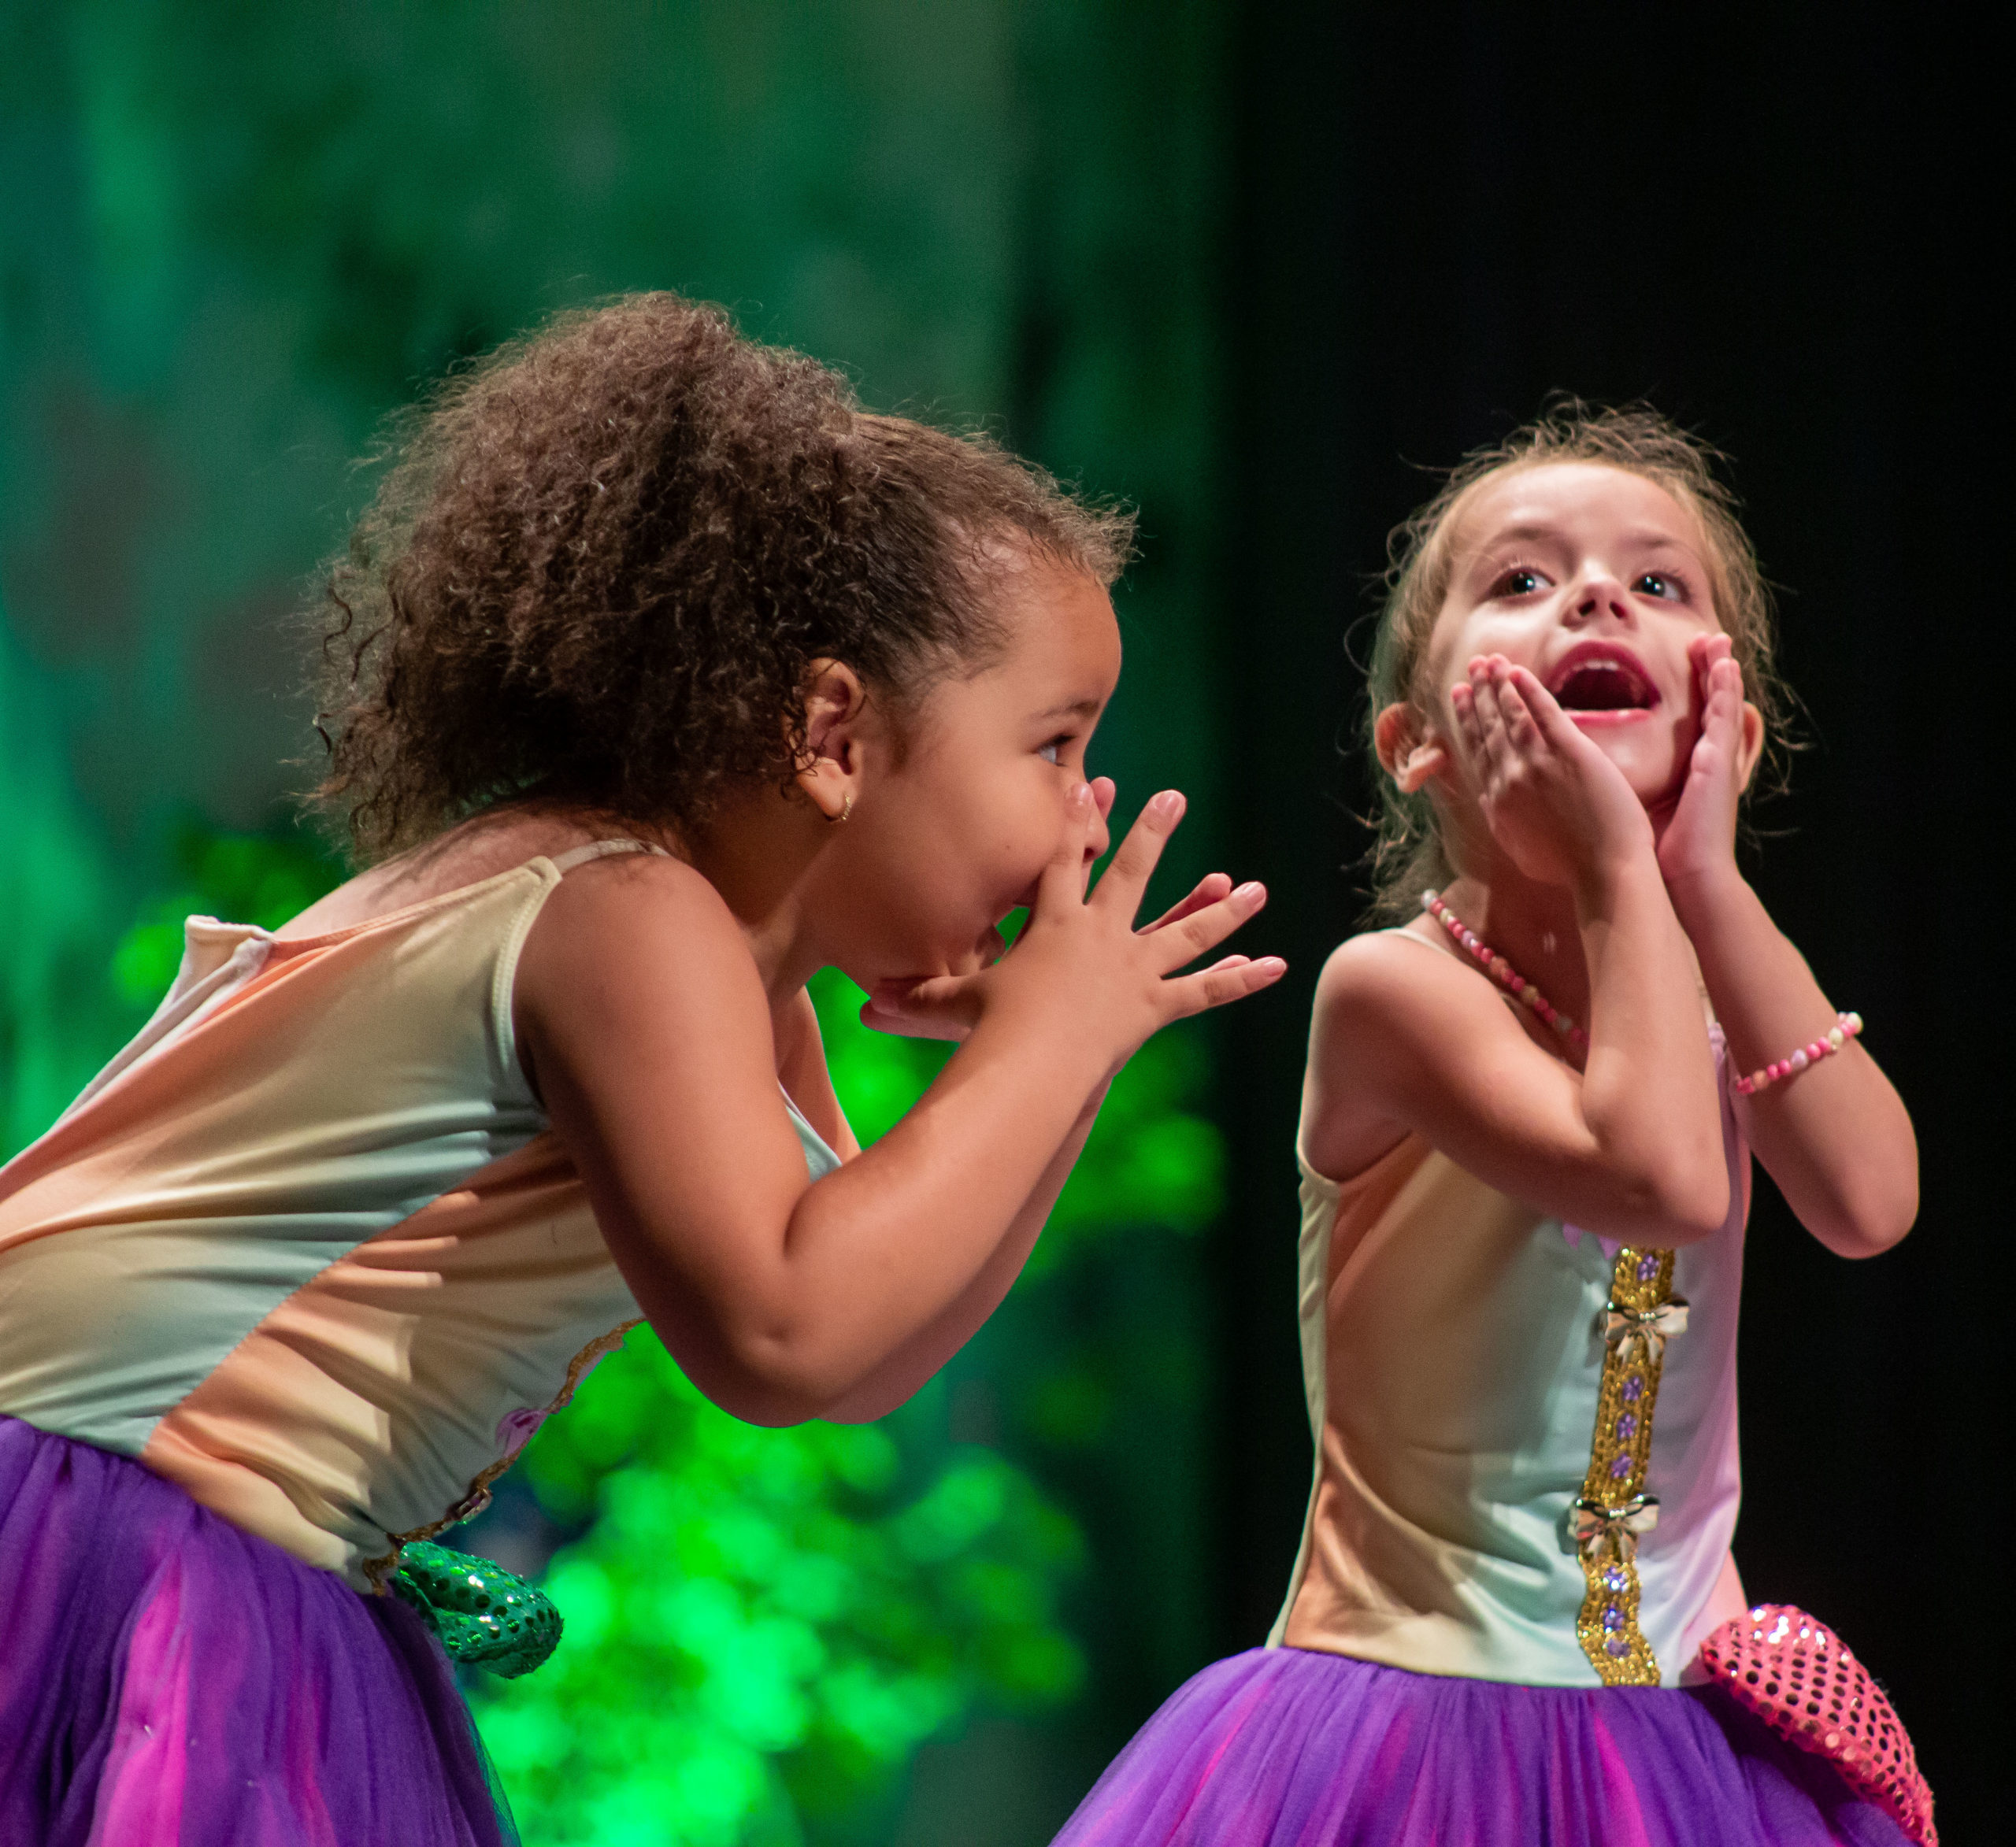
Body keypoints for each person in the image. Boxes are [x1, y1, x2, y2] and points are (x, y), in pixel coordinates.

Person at [0, 294, 1282, 1846]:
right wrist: (1046, 1037)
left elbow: (859, 1362)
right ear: (832, 734)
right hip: (116, 1540)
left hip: (203, 1527)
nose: (1084, 816)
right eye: (1054, 746)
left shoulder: (717, 958)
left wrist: (1052, 1061)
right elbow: (784, 1329)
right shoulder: (630, 911)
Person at [1051, 406, 1933, 1846]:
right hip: (1410, 1716)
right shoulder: (1393, 991)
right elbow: (1655, 1173)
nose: (1594, 594)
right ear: (1416, 744)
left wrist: (1701, 879)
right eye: (1521, 581)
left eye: (1660, 586)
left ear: (1736, 729)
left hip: (1676, 1733)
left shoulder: (1709, 986)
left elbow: (1869, 1201)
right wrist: (1616, 870)